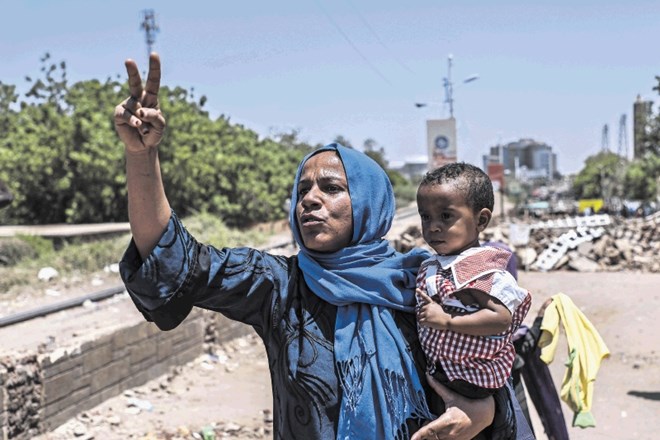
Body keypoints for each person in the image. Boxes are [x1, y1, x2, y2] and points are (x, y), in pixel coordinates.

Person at [114, 53, 534, 439]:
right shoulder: (279, 286)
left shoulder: (423, 280)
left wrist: (484, 411)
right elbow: (173, 258)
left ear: (371, 204)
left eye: (331, 187)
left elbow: (492, 367)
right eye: (302, 191)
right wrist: (141, 158)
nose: (310, 199)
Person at [414, 163, 531, 430]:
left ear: (481, 220)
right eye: (426, 217)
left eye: (446, 216)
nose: (433, 227)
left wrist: (446, 321)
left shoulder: (479, 268)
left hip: (471, 381)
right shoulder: (437, 264)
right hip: (446, 374)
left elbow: (500, 318)